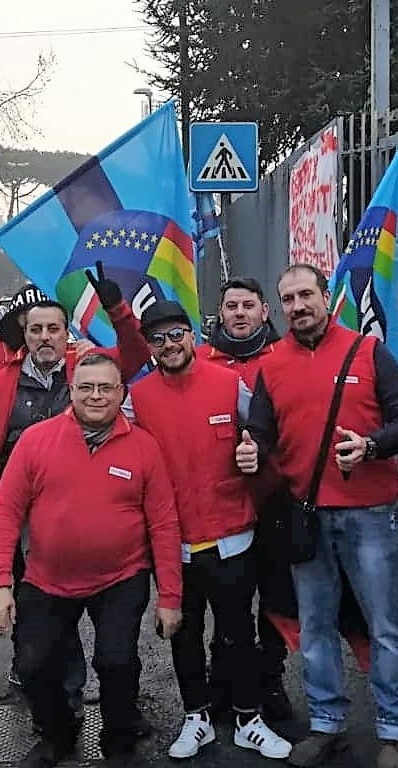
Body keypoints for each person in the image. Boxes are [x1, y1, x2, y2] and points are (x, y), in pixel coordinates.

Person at [248, 264, 398, 768]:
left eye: (306, 294)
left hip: (370, 516)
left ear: (327, 296)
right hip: (306, 518)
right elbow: (260, 430)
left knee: (385, 625)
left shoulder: (368, 351)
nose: (298, 306)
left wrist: (371, 445)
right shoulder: (271, 364)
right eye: (288, 299)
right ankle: (326, 723)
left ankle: (395, 731)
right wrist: (250, 446)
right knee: (315, 627)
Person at [0, 277, 150, 705]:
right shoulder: (4, 382)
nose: (45, 337)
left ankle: (72, 688)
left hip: (68, 507)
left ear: (67, 334)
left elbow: (136, 354)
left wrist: (117, 310)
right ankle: (33, 679)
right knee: (20, 599)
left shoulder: (86, 371)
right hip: (15, 505)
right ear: (24, 336)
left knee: (67, 603)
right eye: (36, 330)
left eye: (53, 329)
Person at [0, 352, 182, 767]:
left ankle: (118, 740)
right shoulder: (35, 440)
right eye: (87, 387)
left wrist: (170, 597)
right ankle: (58, 732)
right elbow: (5, 511)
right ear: (71, 391)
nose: (96, 396)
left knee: (116, 662)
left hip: (121, 576)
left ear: (121, 393)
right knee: (33, 665)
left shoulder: (144, 447)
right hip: (46, 578)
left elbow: (164, 524)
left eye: (106, 388)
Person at [129, 299, 293, 760]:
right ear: (149, 347)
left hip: (232, 537)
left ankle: (248, 719)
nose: (169, 344)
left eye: (176, 333)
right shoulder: (136, 398)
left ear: (193, 336)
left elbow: (265, 431)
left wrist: (255, 450)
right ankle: (196, 718)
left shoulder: (228, 383)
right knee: (183, 634)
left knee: (238, 634)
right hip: (173, 544)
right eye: (157, 338)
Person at [194, 276, 293, 723]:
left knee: (275, 599)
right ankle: (224, 679)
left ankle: (270, 679)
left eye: (248, 305)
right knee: (226, 601)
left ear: (264, 311)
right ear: (221, 312)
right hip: (218, 506)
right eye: (231, 305)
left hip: (274, 499)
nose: (239, 313)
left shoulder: (285, 358)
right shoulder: (199, 360)